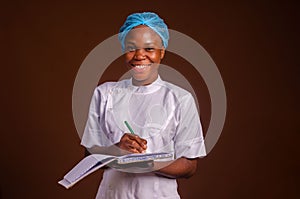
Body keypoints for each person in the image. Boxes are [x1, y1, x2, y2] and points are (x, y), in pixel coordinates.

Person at [81, 12, 206, 199]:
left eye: (149, 48)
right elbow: (89, 155)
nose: (140, 56)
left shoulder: (180, 99)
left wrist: (149, 164)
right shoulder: (104, 94)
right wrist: (117, 149)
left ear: (161, 52)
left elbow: (189, 165)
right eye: (132, 48)